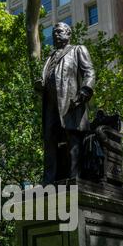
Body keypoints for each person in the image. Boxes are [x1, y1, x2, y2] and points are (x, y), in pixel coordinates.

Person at [35, 23, 96, 185]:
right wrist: (41, 84)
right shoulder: (50, 57)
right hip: (50, 105)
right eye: (54, 32)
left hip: (70, 103)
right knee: (49, 142)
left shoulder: (77, 50)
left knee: (72, 140)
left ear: (68, 34)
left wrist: (85, 90)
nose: (55, 35)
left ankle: (74, 177)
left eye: (59, 32)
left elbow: (89, 71)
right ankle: (48, 181)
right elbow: (49, 76)